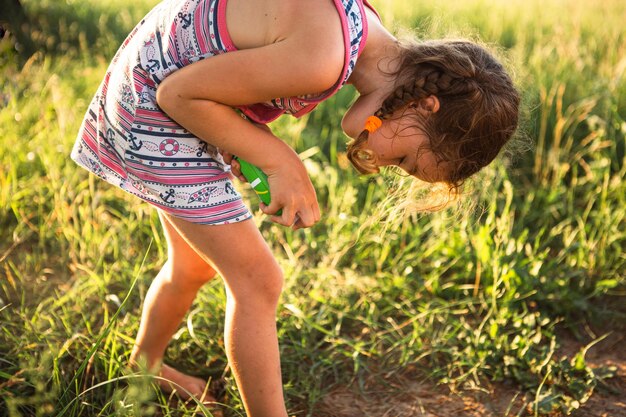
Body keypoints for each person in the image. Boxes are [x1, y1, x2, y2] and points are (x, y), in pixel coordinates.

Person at [71, 0, 520, 415]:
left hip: (152, 88)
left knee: (195, 264)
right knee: (258, 281)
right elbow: (178, 95)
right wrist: (278, 158)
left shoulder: (358, 29)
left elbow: (215, 70)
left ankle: (145, 364)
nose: (383, 164)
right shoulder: (320, 60)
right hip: (153, 108)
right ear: (426, 104)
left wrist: (246, 140)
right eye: (404, 159)